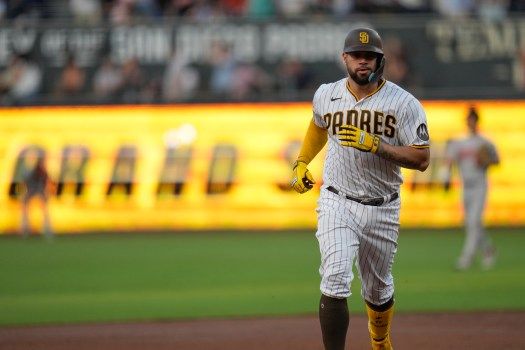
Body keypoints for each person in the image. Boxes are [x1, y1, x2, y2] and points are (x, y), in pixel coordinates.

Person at [291, 27, 430, 350]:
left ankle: (379, 340)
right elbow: (318, 124)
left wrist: (378, 145)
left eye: (370, 56)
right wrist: (301, 161)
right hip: (337, 200)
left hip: (384, 205)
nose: (363, 62)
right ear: (345, 59)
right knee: (336, 279)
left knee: (378, 291)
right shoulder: (327, 94)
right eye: (357, 55)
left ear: (380, 60)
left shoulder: (404, 103)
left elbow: (422, 158)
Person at [444, 106, 499, 271]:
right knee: (470, 223)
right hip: (465, 186)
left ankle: (466, 258)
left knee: (474, 221)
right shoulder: (459, 142)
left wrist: (486, 161)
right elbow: (449, 162)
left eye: (473, 119)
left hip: (480, 185)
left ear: (477, 121)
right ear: (466, 121)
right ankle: (489, 250)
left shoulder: (485, 142)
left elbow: (496, 160)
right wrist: (446, 179)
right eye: (469, 119)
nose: (470, 122)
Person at [20, 156, 54, 239]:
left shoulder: (44, 172)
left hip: (40, 191)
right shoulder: (32, 172)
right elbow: (25, 181)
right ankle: (25, 230)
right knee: (25, 208)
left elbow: (50, 182)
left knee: (45, 211)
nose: (42, 165)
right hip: (31, 190)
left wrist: (47, 192)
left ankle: (48, 231)